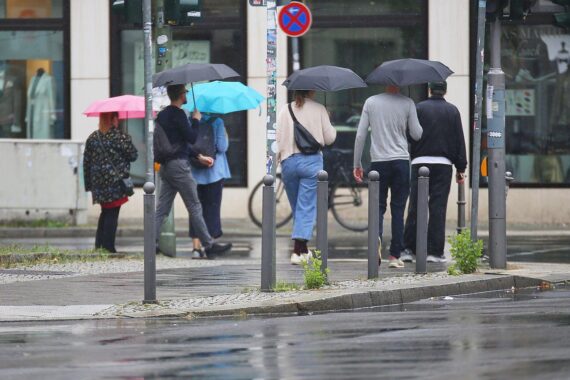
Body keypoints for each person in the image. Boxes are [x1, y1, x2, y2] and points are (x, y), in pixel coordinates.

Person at [154, 84, 231, 258]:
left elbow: (178, 145)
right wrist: (196, 119)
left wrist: (198, 157)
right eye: (185, 92)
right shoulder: (179, 114)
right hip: (180, 168)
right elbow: (192, 137)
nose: (187, 94)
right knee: (195, 207)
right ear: (181, 95)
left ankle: (151, 242)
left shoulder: (162, 116)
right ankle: (209, 245)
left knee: (162, 209)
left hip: (166, 167)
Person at [353, 85, 422, 268]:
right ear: (400, 83)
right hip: (400, 161)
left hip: (378, 163)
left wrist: (357, 164)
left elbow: (360, 135)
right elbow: (417, 134)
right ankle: (394, 256)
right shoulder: (408, 103)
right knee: (398, 210)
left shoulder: (371, 102)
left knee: (378, 207)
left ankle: (376, 239)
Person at [401, 81, 467, 263]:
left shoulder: (418, 108)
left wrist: (413, 153)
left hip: (419, 163)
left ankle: (408, 248)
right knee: (438, 208)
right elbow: (458, 141)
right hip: (443, 164)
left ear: (430, 90)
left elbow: (410, 135)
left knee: (415, 206)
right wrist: (461, 167)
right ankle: (434, 252)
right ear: (445, 90)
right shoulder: (453, 111)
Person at [276, 90, 337, 265]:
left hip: (288, 162)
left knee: (298, 207)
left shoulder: (284, 110)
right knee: (306, 206)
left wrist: (279, 161)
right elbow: (330, 138)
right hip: (311, 162)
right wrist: (328, 121)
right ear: (312, 90)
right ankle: (296, 251)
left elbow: (278, 139)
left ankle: (303, 250)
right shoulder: (319, 109)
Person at [83, 112, 138, 253]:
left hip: (98, 185)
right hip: (115, 183)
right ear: (113, 120)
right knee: (112, 214)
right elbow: (133, 155)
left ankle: (99, 245)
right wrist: (127, 138)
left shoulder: (93, 138)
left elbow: (86, 163)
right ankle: (108, 247)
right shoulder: (120, 137)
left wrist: (89, 185)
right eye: (116, 119)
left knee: (105, 212)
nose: (118, 121)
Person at [189, 114, 232, 259]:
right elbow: (222, 147)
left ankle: (196, 248)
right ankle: (210, 246)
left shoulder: (191, 120)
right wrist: (225, 133)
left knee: (195, 209)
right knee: (212, 208)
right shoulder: (217, 121)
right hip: (214, 172)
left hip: (194, 172)